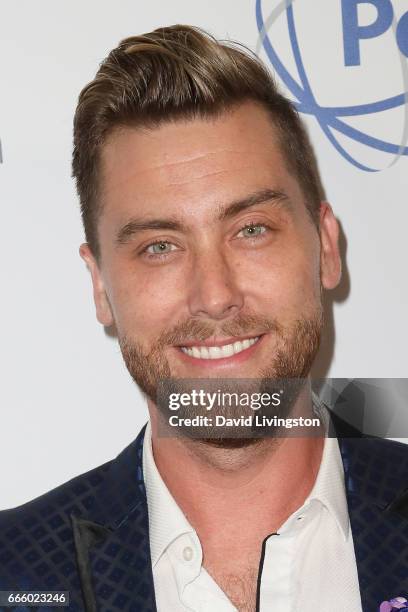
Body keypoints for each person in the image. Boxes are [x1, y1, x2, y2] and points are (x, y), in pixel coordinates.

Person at [0, 24, 407, 612]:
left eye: (251, 230)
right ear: (100, 287)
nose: (215, 296)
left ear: (326, 246)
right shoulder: (15, 569)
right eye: (159, 246)